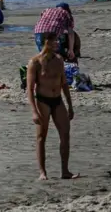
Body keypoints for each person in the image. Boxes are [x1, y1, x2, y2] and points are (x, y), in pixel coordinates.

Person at [26, 39, 76, 181]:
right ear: (46, 42)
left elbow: (64, 84)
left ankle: (65, 171)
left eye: (58, 40)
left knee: (65, 134)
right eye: (54, 41)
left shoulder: (59, 60)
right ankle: (42, 172)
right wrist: (34, 111)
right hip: (43, 101)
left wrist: (70, 105)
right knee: (41, 136)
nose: (57, 43)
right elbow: (30, 89)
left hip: (58, 100)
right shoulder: (35, 62)